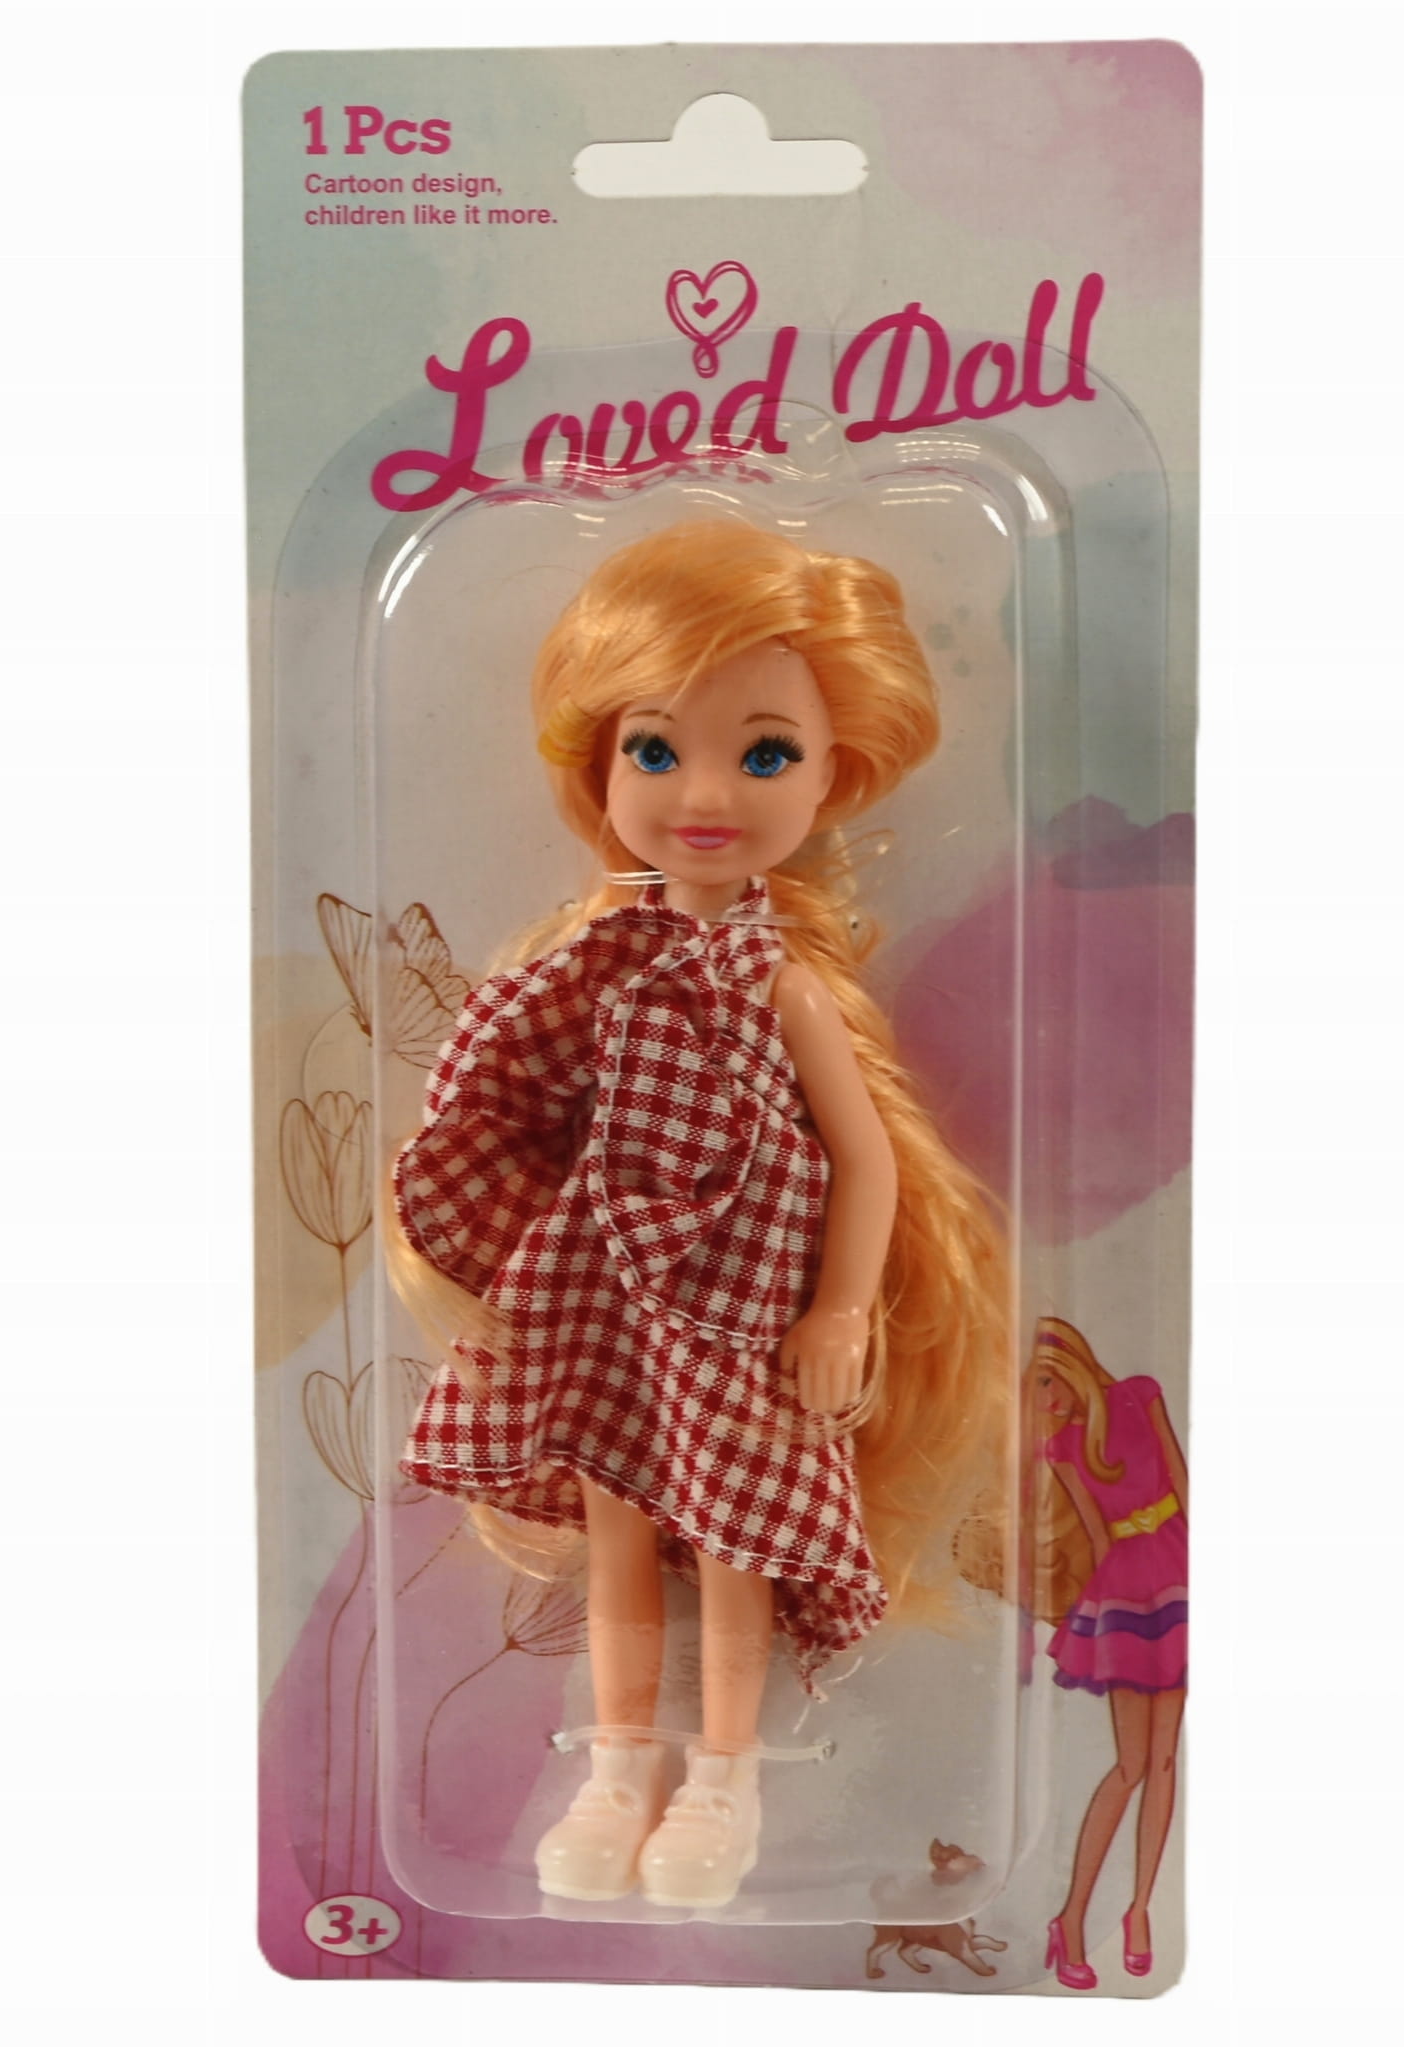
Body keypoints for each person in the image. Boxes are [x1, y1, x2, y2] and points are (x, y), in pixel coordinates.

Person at [388, 521, 1010, 1908]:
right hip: (612, 1306)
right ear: (599, 767)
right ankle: (617, 1771)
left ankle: (723, 1782)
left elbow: (865, 1156)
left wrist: (839, 1310)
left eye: (766, 754)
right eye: (656, 750)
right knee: (619, 1532)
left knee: (732, 1545)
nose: (707, 792)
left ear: (834, 773)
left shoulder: (782, 981)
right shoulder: (586, 971)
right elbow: (512, 1111)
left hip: (738, 1319)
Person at [1031, 1315, 1188, 1986]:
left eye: (1045, 1382)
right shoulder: (1060, 1448)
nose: (1041, 1399)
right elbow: (1097, 1537)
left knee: (1164, 1759)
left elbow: (1184, 1484)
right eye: (1030, 1390)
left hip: (1180, 1569)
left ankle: (1141, 1908)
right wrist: (1098, 1618)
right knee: (1131, 1764)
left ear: (1068, 1364)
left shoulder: (1140, 1395)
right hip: (1128, 1590)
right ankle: (1070, 1917)